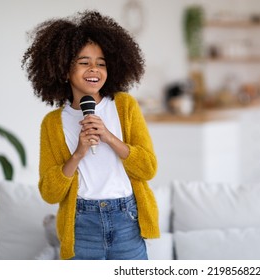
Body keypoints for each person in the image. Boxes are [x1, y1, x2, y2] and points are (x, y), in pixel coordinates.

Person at [21, 10, 159, 260]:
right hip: (82, 225)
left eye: (101, 63)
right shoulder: (52, 124)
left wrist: (109, 137)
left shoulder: (125, 106)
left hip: (127, 219)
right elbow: (50, 193)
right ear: (64, 71)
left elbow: (148, 168)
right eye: (84, 62)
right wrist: (78, 154)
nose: (94, 69)